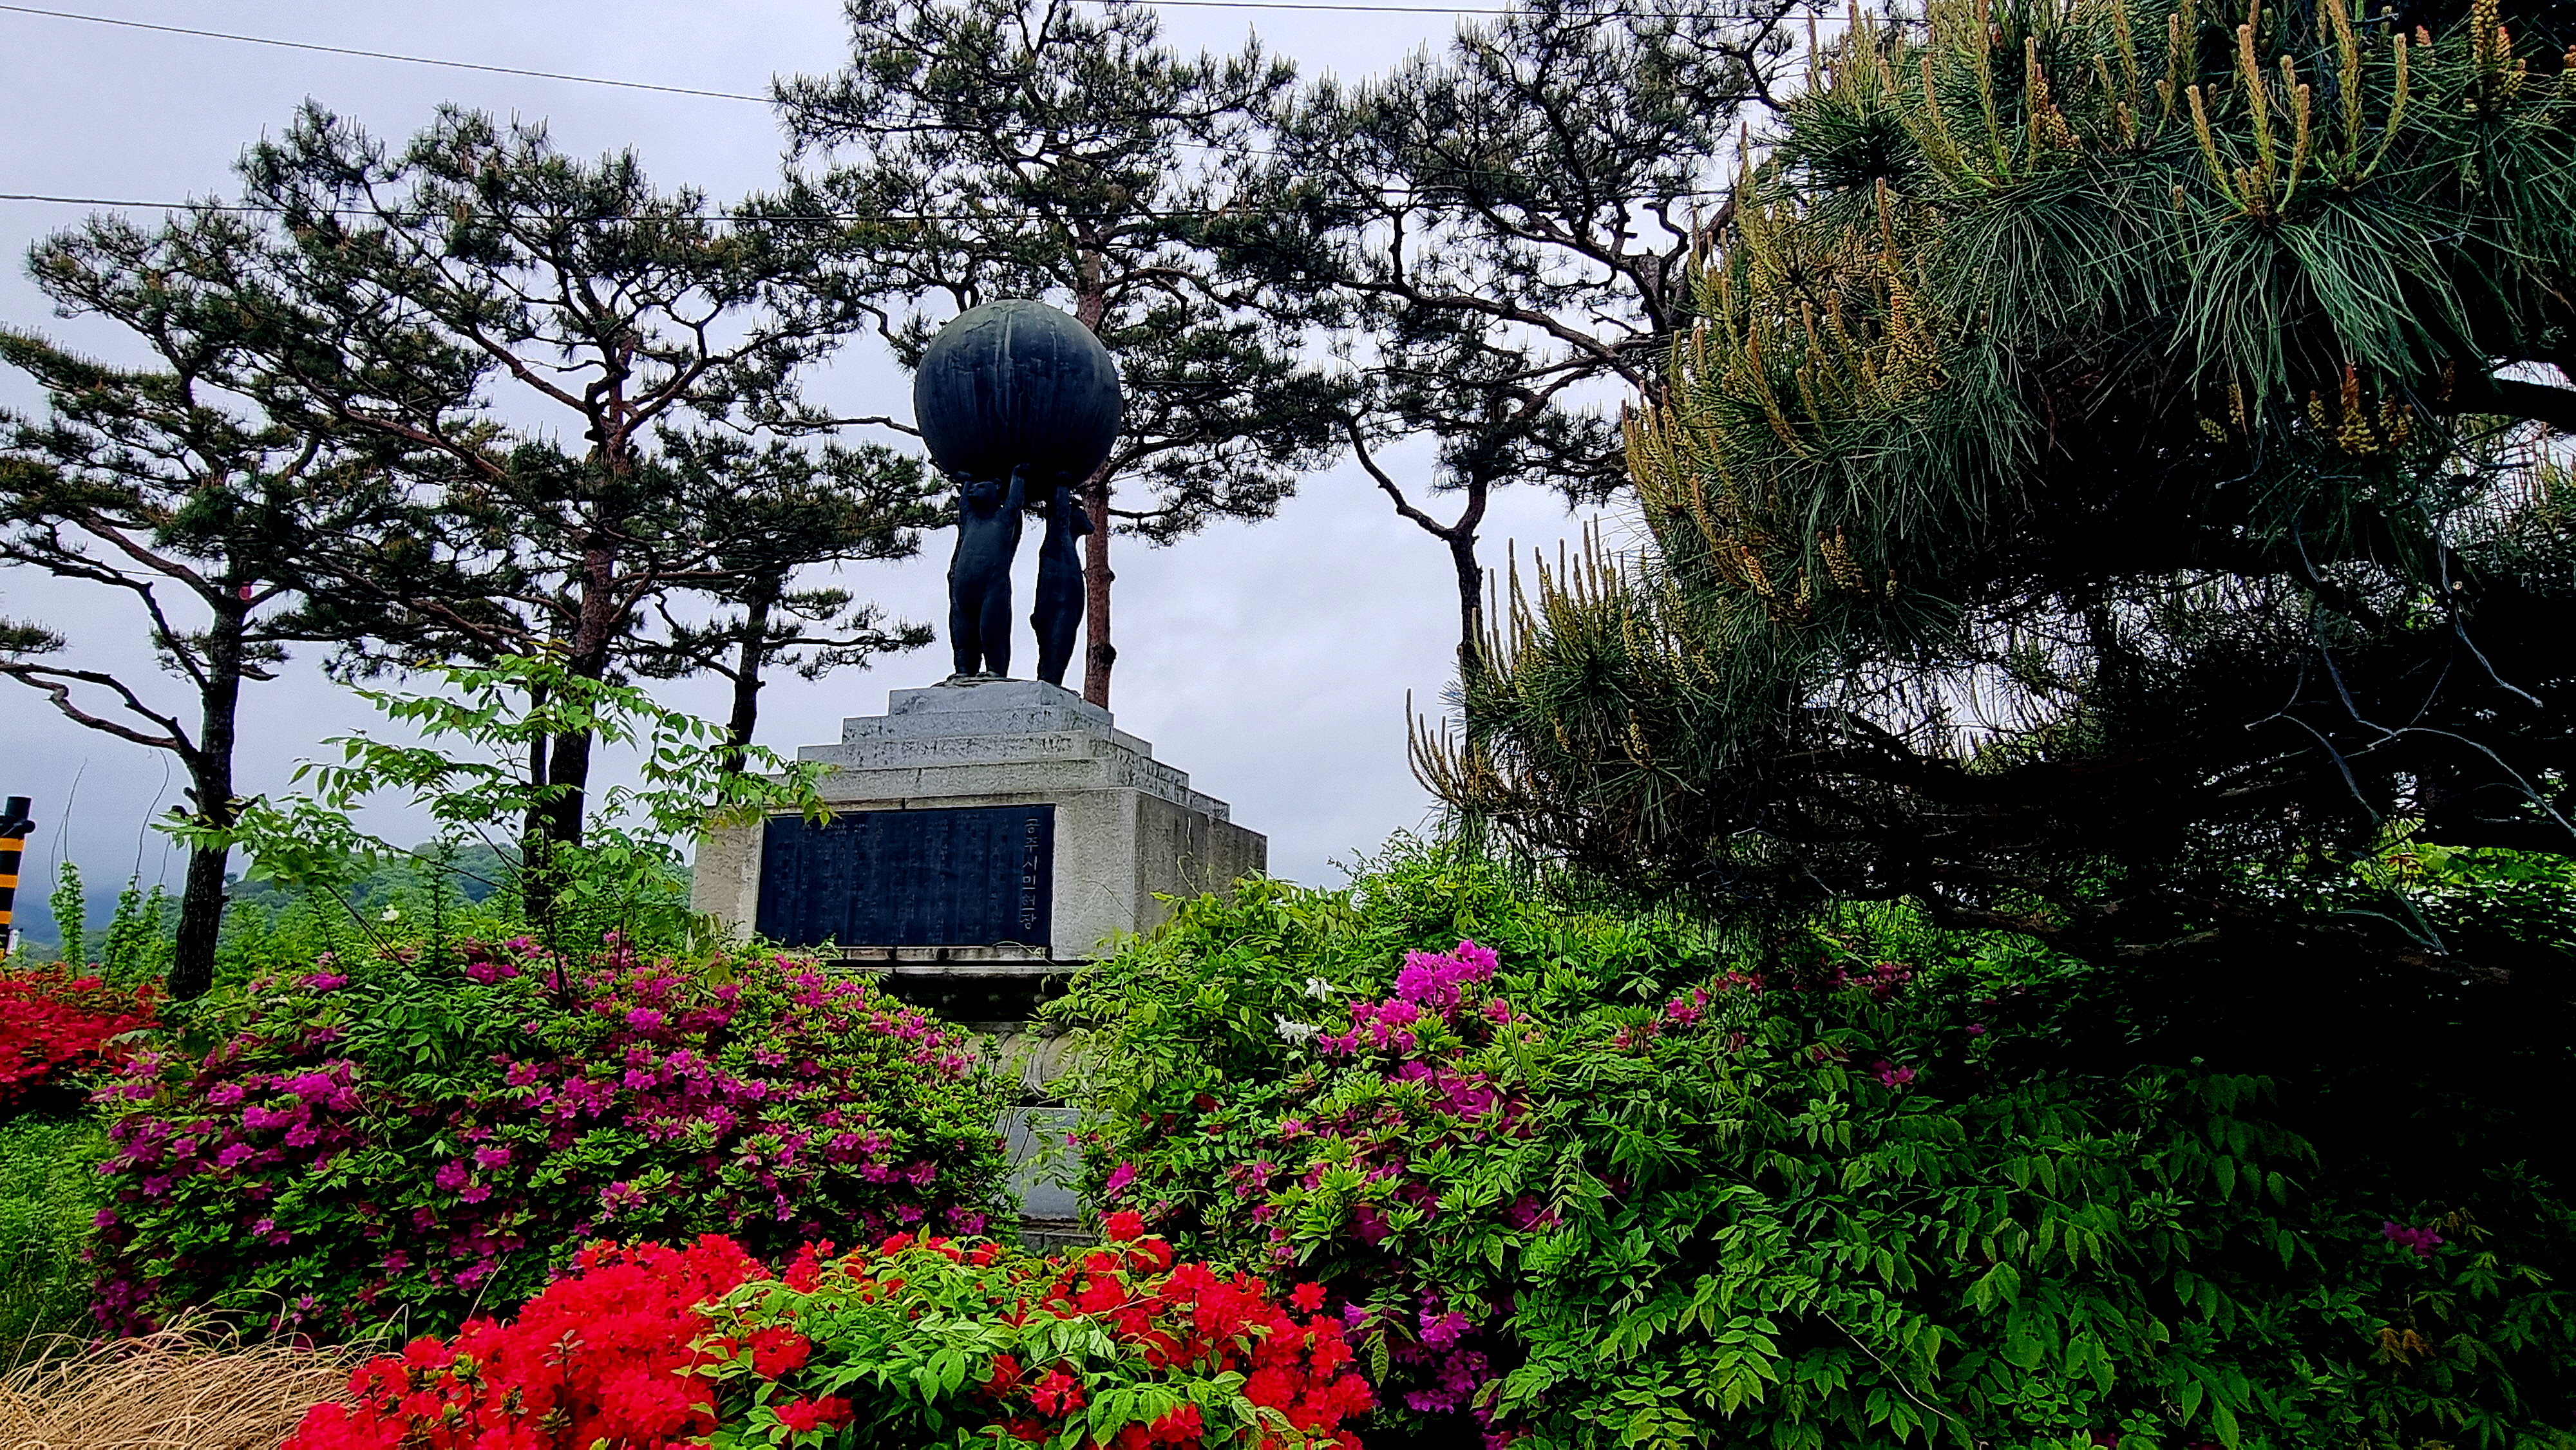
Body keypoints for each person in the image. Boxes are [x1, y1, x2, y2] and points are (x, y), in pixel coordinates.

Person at [947, 463, 1028, 678]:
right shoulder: (971, 520)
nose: (974, 491)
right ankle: (964, 670)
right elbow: (964, 505)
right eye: (972, 488)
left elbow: (1014, 503)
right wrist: (966, 482)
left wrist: (1017, 477)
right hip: (964, 593)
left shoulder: (1003, 520)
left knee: (992, 631)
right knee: (963, 635)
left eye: (980, 487)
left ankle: (995, 669)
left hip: (992, 589)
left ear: (997, 486)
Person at [1032, 481, 1092, 688]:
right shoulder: (1058, 537)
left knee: (1064, 648)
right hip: (1057, 606)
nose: (1087, 516)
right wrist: (1062, 483)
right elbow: (1059, 512)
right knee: (1055, 649)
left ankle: (1053, 684)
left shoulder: (1068, 544)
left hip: (1069, 607)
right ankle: (1049, 684)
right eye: (1081, 511)